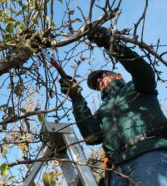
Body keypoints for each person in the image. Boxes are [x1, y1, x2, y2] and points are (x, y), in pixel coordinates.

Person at [59, 26, 167, 186]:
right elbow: (91, 136)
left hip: (149, 152)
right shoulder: (102, 111)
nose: (99, 81)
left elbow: (144, 71)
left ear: (118, 75)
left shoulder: (136, 87)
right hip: (116, 170)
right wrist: (76, 97)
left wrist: (112, 44)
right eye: (96, 84)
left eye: (102, 76)